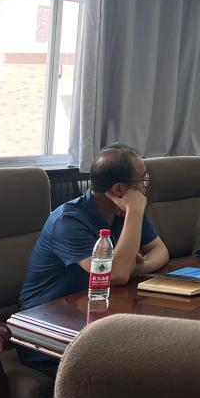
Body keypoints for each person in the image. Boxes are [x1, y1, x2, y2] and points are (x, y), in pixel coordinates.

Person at [18, 144, 169, 375]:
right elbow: (115, 275)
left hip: (92, 317)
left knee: (160, 352)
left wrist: (141, 267)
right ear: (119, 189)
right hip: (46, 333)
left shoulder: (122, 212)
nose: (145, 188)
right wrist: (135, 212)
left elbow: (160, 249)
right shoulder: (69, 221)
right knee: (141, 368)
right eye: (143, 180)